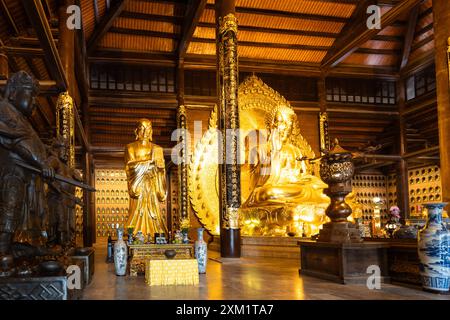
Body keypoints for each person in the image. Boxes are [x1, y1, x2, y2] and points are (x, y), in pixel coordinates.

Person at [0, 71, 54, 264]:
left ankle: (20, 247)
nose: (34, 102)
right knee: (10, 205)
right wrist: (41, 163)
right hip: (10, 172)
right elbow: (19, 142)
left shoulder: (23, 119)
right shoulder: (5, 109)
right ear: (13, 92)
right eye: (31, 95)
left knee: (26, 211)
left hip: (26, 175)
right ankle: (3, 249)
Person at [125, 119, 168, 238]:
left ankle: (155, 232)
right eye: (142, 128)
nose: (145, 131)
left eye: (148, 128)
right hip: (138, 185)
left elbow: (161, 167)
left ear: (151, 131)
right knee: (137, 209)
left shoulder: (157, 148)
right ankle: (135, 233)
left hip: (152, 184)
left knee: (153, 209)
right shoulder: (130, 147)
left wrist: (158, 167)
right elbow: (130, 166)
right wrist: (150, 163)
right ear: (136, 130)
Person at [46, 136, 82, 248]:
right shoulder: (54, 160)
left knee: (69, 224)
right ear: (57, 149)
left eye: (67, 150)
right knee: (60, 222)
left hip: (68, 200)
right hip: (57, 199)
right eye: (64, 150)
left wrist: (75, 174)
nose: (66, 153)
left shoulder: (66, 167)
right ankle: (58, 246)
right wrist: (53, 183)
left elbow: (77, 179)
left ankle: (67, 244)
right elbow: (46, 170)